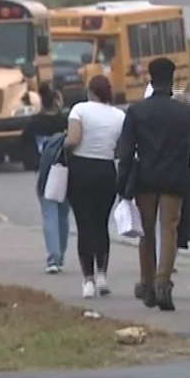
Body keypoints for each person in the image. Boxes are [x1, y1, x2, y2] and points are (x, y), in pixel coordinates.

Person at [118, 58, 190, 311]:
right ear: (171, 81)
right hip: (174, 178)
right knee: (169, 229)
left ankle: (146, 282)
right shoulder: (184, 112)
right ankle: (163, 281)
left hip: (145, 178)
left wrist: (122, 183)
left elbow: (126, 150)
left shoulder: (137, 111)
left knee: (146, 231)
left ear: (150, 79)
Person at [64, 75, 125, 299]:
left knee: (84, 225)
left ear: (89, 90)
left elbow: (72, 139)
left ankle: (87, 279)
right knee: (101, 224)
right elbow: (121, 147)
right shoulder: (119, 115)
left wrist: (63, 147)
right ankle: (102, 276)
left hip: (81, 169)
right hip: (106, 171)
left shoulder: (79, 110)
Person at [25, 83, 70, 273]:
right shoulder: (65, 121)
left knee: (49, 214)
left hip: (45, 171)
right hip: (65, 170)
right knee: (63, 214)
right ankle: (60, 255)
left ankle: (53, 258)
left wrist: (33, 163)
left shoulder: (34, 124)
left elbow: (24, 145)